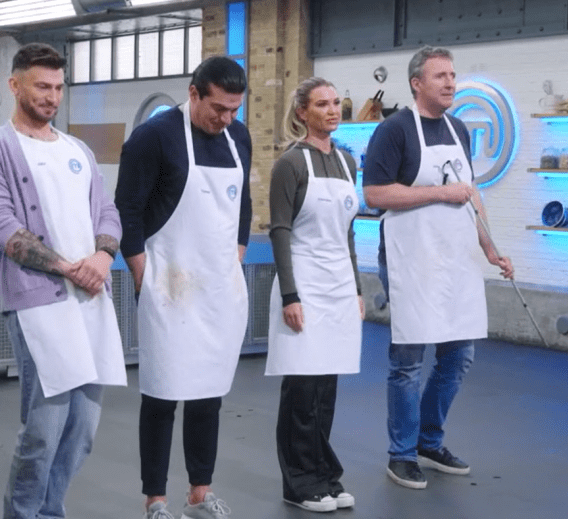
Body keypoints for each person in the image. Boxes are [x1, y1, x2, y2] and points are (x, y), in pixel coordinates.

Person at [0, 42, 127, 519]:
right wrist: (66, 267)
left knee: (83, 427)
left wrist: (102, 255)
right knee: (44, 428)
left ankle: (50, 510)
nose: (51, 96)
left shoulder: (77, 149)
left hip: (91, 296)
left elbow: (106, 209)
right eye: (42, 86)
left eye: (59, 87)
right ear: (14, 85)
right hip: (39, 301)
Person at [362, 46, 514, 490]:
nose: (450, 82)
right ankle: (401, 453)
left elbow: (470, 191)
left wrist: (490, 246)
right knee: (409, 358)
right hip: (411, 256)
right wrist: (438, 194)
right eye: (440, 76)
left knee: (459, 357)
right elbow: (375, 195)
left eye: (452, 74)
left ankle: (430, 440)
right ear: (417, 83)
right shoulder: (393, 131)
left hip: (457, 256)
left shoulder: (459, 128)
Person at [115, 56, 252, 519]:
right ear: (193, 93)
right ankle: (155, 499)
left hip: (217, 286)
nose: (226, 119)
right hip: (168, 282)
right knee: (162, 393)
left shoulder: (239, 138)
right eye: (218, 108)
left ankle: (199, 492)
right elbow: (125, 211)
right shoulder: (155, 136)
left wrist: (233, 257)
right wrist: (142, 275)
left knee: (208, 393)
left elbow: (244, 204)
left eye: (234, 109)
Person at [266, 77, 364, 513]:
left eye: (335, 103)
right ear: (302, 112)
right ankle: (299, 482)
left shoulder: (348, 162)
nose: (332, 110)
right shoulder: (290, 163)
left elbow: (349, 234)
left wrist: (358, 289)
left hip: (339, 285)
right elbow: (280, 230)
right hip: (303, 281)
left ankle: (324, 474)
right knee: (302, 388)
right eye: (321, 104)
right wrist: (290, 295)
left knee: (327, 387)